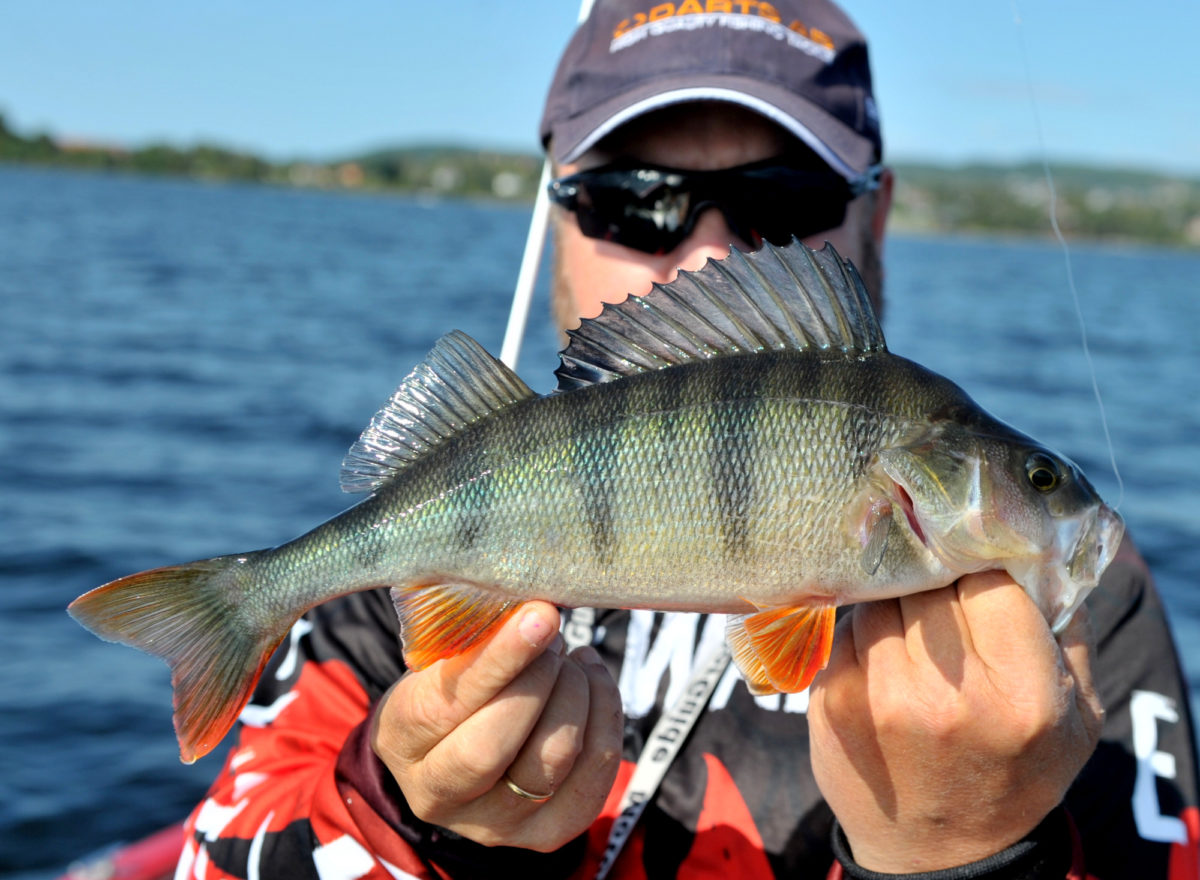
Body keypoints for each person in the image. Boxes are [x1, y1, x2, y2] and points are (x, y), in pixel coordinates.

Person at [177, 2, 1200, 878]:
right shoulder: (406, 572)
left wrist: (974, 853)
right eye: (636, 204)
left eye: (782, 202)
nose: (708, 252)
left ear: (874, 220)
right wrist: (403, 812)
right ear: (558, 212)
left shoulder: (1070, 621)